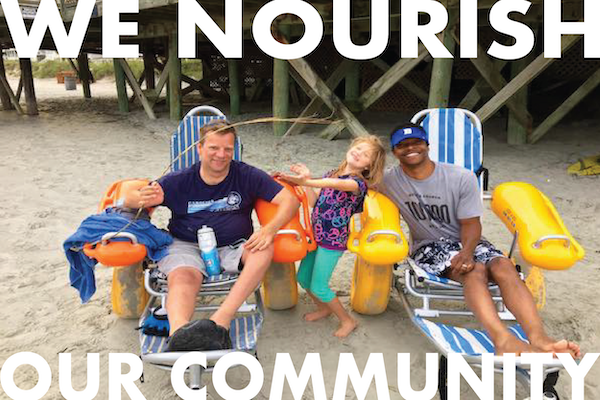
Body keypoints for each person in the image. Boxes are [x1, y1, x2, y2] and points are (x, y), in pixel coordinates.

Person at [381, 123, 580, 356]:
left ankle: (540, 339)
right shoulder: (388, 180)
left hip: (470, 240)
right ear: (394, 152)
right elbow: (353, 180)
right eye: (402, 146)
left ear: (427, 145)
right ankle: (503, 339)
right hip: (429, 247)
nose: (410, 148)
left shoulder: (460, 177)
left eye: (416, 142)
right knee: (473, 271)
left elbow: (471, 224)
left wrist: (466, 251)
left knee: (504, 266)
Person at [124, 119, 299, 351]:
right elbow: (128, 200)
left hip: (232, 247)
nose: (221, 154)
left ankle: (220, 321)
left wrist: (269, 228)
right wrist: (141, 198)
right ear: (200, 148)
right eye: (214, 148)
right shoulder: (179, 180)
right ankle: (180, 334)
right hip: (186, 245)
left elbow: (290, 200)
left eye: (227, 149)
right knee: (183, 277)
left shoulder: (246, 175)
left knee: (264, 248)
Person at [279, 136, 386, 338]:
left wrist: (306, 179)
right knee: (303, 278)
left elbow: (336, 185)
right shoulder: (331, 174)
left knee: (319, 285)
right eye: (358, 148)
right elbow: (315, 203)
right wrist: (307, 184)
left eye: (366, 155)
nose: (359, 153)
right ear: (351, 147)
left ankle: (348, 320)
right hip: (316, 235)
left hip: (333, 242)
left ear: (368, 166)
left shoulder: (356, 184)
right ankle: (324, 308)